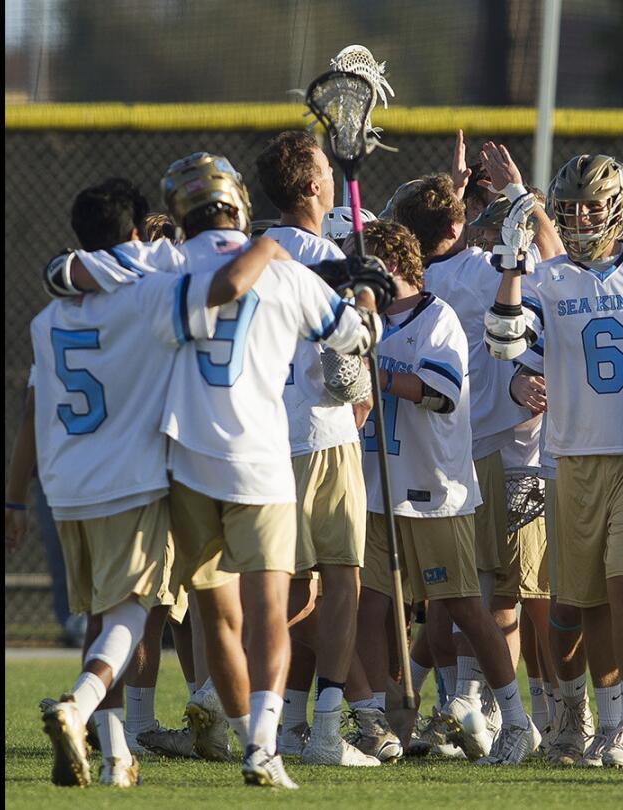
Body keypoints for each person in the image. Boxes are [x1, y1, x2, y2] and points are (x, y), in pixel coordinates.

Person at [73, 152, 386, 788]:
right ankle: (263, 746)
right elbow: (361, 339)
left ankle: (242, 736)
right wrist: (362, 292)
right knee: (271, 608)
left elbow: (70, 272)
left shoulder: (163, 266)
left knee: (216, 614)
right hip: (264, 458)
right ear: (239, 203)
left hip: (186, 463)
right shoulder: (285, 271)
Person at [7, 177, 288, 787]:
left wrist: (15, 494)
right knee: (134, 614)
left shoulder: (46, 316)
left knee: (101, 618)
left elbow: (61, 279)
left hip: (66, 484)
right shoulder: (153, 291)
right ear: (137, 231)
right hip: (132, 478)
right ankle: (79, 707)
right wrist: (267, 247)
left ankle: (115, 758)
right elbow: (220, 283)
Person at [483, 153, 623, 768]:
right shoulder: (550, 277)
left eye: (593, 206)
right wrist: (511, 261)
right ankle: (605, 721)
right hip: (573, 456)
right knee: (584, 603)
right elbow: (507, 346)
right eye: (571, 207)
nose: (580, 218)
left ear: (622, 209)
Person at [355, 218, 541, 765]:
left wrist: (377, 376)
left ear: (389, 269)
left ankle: (514, 719)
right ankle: (380, 722)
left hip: (432, 487)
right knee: (369, 606)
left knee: (461, 605)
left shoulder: (436, 320)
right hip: (375, 487)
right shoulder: (364, 323)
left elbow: (438, 392)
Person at [252, 131, 383, 767]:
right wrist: (366, 295)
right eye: (326, 169)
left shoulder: (250, 253)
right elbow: (349, 358)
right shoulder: (327, 255)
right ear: (310, 187)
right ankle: (331, 725)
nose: (333, 178)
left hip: (260, 441)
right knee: (340, 582)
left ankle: (271, 722)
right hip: (323, 436)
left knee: (282, 590)